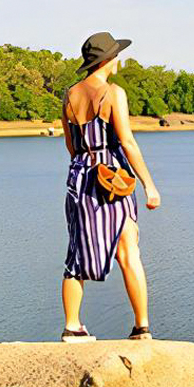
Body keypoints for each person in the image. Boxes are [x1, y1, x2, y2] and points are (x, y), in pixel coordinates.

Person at [60, 32, 162, 342]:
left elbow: (70, 145)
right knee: (129, 251)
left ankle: (72, 327)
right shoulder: (113, 93)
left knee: (76, 254)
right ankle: (141, 327)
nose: (119, 60)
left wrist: (86, 166)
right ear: (108, 60)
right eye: (116, 55)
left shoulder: (69, 96)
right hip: (112, 179)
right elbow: (128, 142)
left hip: (79, 177)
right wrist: (149, 186)